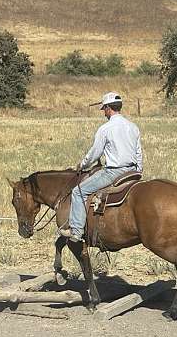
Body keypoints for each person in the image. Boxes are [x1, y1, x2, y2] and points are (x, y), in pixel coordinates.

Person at [60, 92, 143, 242]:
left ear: (108, 108)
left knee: (78, 191)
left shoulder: (105, 129)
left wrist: (83, 164)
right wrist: (138, 171)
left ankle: (76, 231)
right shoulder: (133, 127)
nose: (104, 112)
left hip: (114, 172)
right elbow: (138, 153)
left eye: (104, 109)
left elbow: (95, 153)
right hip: (132, 172)